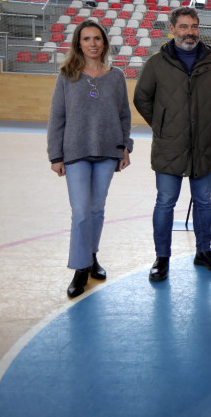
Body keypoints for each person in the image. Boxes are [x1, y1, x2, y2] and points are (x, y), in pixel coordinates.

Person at [133, 6, 211, 282]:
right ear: (173, 29)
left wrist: (208, 121)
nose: (190, 32)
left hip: (204, 145)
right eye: (184, 27)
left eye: (194, 26)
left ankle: (204, 251)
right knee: (165, 202)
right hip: (169, 146)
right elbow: (142, 99)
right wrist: (164, 125)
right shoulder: (156, 63)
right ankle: (161, 257)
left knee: (204, 202)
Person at [47, 20, 132, 299]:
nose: (93, 44)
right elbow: (57, 117)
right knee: (81, 211)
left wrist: (125, 147)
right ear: (78, 43)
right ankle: (80, 268)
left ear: (104, 43)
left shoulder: (116, 76)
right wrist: (55, 155)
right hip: (75, 153)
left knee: (96, 210)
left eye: (97, 38)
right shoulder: (67, 75)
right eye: (87, 39)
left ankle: (92, 255)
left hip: (108, 152)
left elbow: (123, 115)